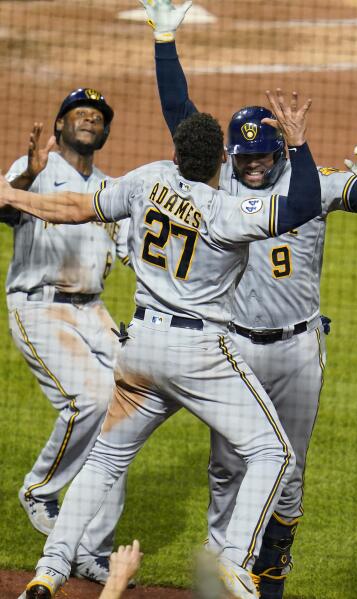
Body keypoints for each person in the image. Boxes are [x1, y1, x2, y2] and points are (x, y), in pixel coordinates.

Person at [5, 88, 322, 599]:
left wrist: (17, 196)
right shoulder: (228, 212)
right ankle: (235, 559)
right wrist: (300, 144)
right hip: (199, 355)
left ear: (176, 155)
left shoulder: (148, 180)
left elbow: (75, 208)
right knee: (273, 451)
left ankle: (50, 569)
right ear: (223, 159)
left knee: (107, 458)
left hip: (140, 349)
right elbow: (303, 201)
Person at [139, 2, 357, 597]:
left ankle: (270, 580)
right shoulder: (221, 183)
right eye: (243, 156)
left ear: (280, 153)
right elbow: (181, 117)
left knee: (289, 476)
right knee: (228, 467)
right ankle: (216, 572)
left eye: (261, 156)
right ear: (230, 156)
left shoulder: (311, 184)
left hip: (300, 352)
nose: (251, 166)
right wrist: (164, 38)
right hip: (233, 351)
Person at [0, 88, 133, 585]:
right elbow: (6, 207)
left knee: (126, 414)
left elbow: (131, 253)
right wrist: (28, 175)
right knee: (92, 398)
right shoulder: (38, 168)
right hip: (41, 308)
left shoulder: (108, 188)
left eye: (96, 117)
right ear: (58, 128)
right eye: (78, 114)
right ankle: (40, 488)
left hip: (94, 313)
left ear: (104, 132)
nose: (88, 120)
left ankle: (90, 548)